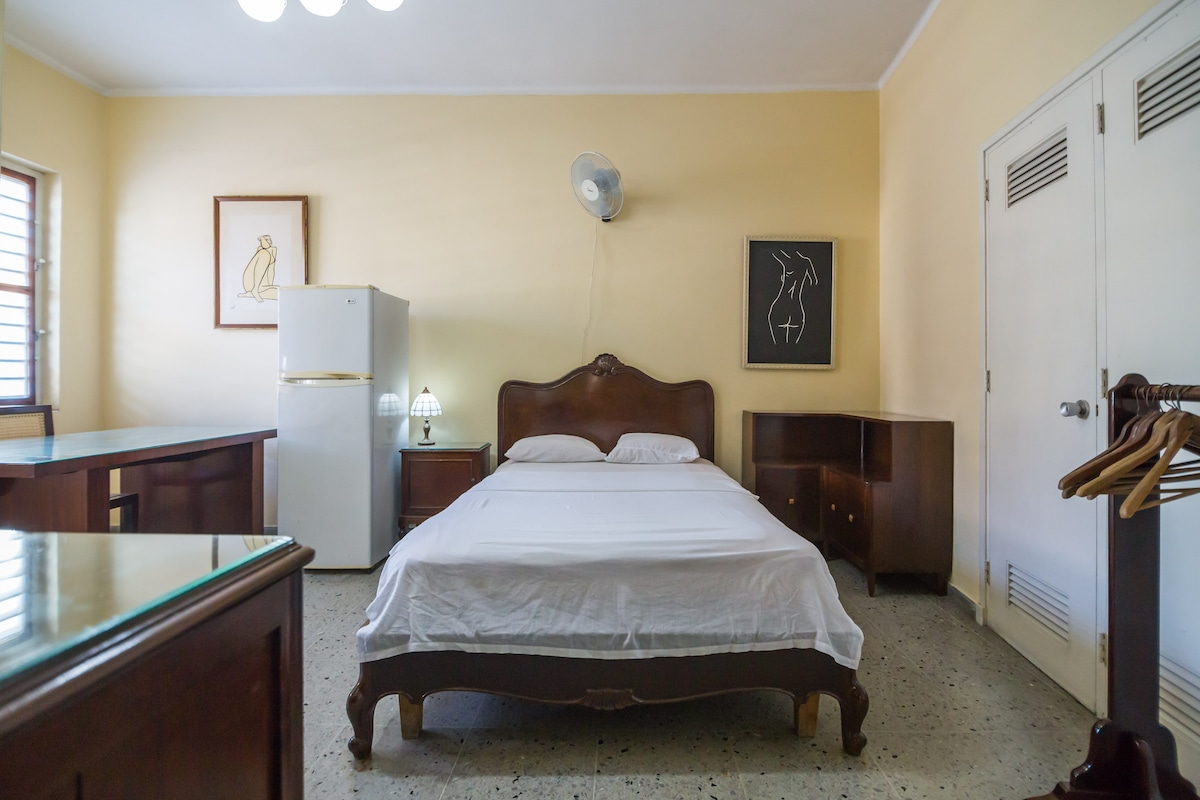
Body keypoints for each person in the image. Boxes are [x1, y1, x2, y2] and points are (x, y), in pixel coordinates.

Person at [238, 234, 279, 302]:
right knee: (265, 254)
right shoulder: (261, 250)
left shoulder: (273, 249)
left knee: (279, 292)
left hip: (262, 286)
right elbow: (265, 246)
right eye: (266, 239)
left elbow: (271, 269)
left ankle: (250, 294)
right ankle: (254, 290)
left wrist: (269, 285)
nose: (269, 241)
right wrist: (261, 238)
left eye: (269, 239)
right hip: (251, 282)